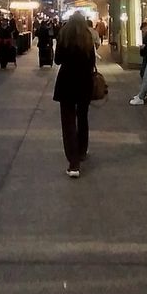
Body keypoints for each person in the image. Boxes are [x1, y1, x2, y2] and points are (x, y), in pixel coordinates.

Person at [53, 12, 96, 178]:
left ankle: (73, 163)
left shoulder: (64, 36)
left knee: (68, 122)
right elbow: (92, 62)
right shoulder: (87, 37)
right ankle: (82, 150)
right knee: (83, 117)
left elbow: (57, 60)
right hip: (84, 82)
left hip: (66, 82)